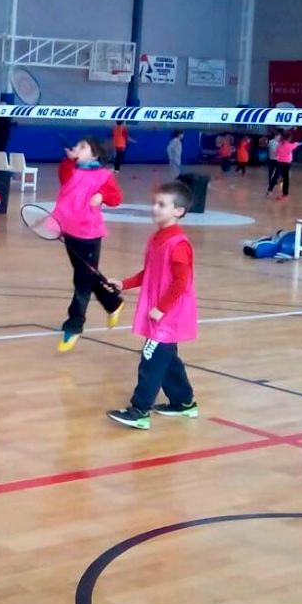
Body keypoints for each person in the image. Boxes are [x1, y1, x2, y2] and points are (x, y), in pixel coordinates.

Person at [106, 181, 198, 430]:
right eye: (154, 203)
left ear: (178, 211)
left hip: (168, 314)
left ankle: (140, 410)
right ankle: (184, 402)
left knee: (151, 358)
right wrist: (123, 284)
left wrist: (162, 308)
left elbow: (181, 282)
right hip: (161, 311)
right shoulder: (157, 238)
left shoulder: (178, 244)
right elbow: (150, 272)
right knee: (166, 358)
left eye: (162, 204)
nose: (155, 208)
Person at [53, 137, 125, 352]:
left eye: (82, 147)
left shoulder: (104, 175)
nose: (77, 148)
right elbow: (63, 176)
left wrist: (102, 196)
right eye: (77, 145)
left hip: (89, 234)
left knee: (82, 281)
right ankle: (113, 302)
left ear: (94, 154)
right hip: (68, 230)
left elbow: (116, 198)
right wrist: (69, 159)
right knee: (86, 275)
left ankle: (74, 325)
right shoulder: (71, 170)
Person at [268, 130, 302, 200]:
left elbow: (276, 154)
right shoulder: (290, 146)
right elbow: (295, 145)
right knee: (286, 179)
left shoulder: (279, 145)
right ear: (289, 138)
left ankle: (269, 190)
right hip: (286, 164)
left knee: (275, 176)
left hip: (279, 162)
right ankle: (285, 194)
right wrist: (297, 144)